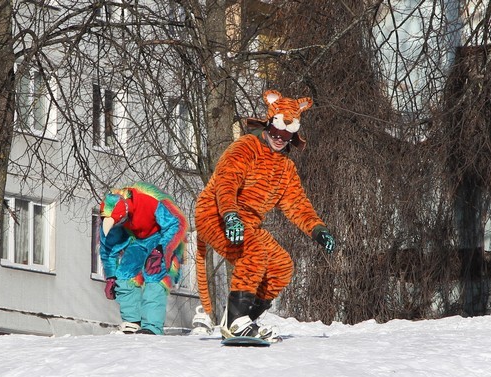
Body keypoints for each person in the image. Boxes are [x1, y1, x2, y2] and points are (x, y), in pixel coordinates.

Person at [192, 89, 336, 341]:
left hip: (249, 223)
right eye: (277, 132)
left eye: (287, 136)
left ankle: (241, 319)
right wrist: (230, 215)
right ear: (268, 125)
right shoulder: (245, 147)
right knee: (255, 252)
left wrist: (317, 229)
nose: (280, 140)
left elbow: (296, 204)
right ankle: (236, 320)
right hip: (215, 213)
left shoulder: (285, 167)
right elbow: (226, 182)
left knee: (281, 265)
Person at [99, 182, 188, 335]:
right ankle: (132, 321)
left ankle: (152, 325)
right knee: (124, 273)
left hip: (161, 237)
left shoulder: (148, 202)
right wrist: (111, 276)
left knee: (154, 271)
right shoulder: (112, 219)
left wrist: (161, 249)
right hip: (138, 240)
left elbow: (175, 224)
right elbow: (108, 249)